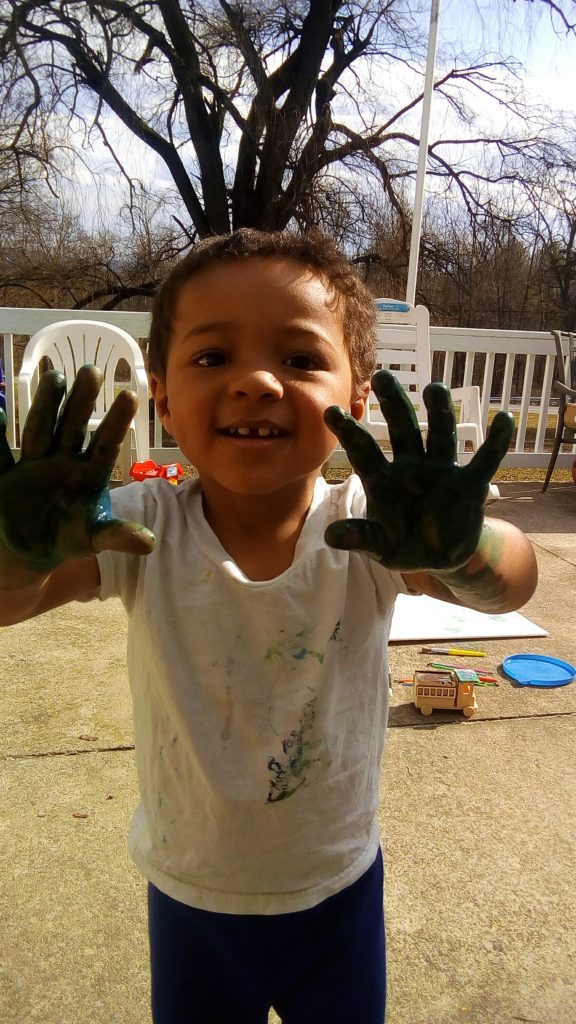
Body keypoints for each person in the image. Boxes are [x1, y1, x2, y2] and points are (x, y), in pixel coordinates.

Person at [0, 229, 537, 1024]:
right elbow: (12, 600)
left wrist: (466, 550)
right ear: (161, 392)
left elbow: (509, 584)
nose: (256, 381)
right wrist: (17, 552)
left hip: (339, 892)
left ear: (357, 398)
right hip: (194, 900)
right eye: (213, 357)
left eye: (301, 358)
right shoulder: (137, 529)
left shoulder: (371, 527)